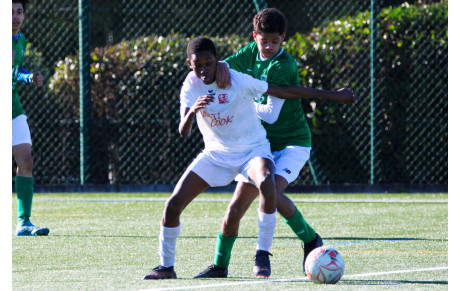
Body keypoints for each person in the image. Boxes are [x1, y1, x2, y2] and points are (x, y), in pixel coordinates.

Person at [143, 36, 355, 280]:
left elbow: (283, 91)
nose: (203, 69)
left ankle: (262, 253)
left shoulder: (235, 79)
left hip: (253, 151)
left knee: (267, 183)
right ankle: (167, 267)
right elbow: (184, 130)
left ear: (216, 60)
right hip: (216, 155)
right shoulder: (191, 85)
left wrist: (333, 95)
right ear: (189, 64)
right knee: (173, 205)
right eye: (197, 64)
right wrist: (193, 111)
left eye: (209, 63)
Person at [194, 8, 357, 279]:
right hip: (260, 146)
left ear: (283, 38)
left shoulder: (284, 65)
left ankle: (304, 241)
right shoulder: (249, 52)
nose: (269, 46)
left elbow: (270, 114)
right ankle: (220, 265)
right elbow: (224, 66)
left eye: (275, 41)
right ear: (255, 36)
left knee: (272, 193)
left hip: (293, 143)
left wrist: (240, 101)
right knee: (234, 208)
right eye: (264, 41)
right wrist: (221, 66)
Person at [12, 0, 48, 236]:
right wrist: (23, 77)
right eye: (10, 12)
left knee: (26, 161)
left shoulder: (21, 40)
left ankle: (24, 222)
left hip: (13, 109)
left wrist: (29, 77)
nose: (15, 17)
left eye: (19, 11)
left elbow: (17, 69)